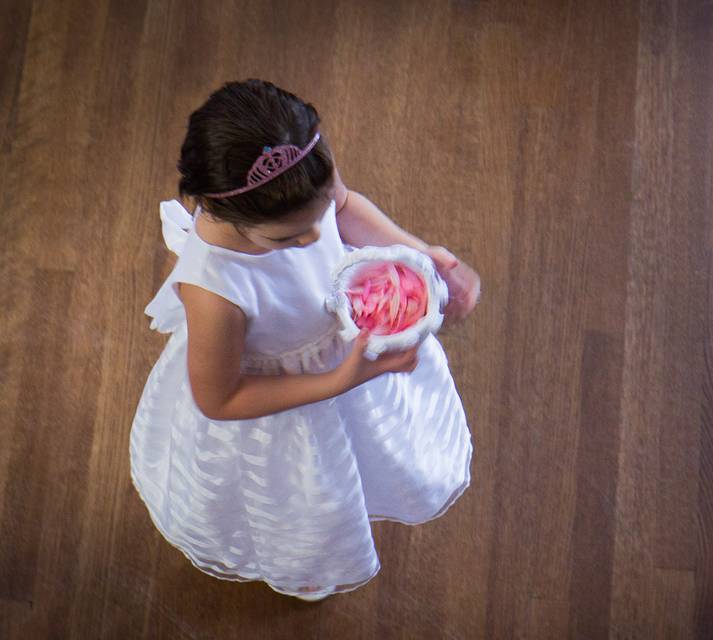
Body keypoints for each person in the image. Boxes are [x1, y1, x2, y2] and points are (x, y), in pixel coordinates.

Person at [129, 79, 481, 601]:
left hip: (346, 352)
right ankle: (308, 553)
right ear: (222, 212)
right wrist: (340, 379)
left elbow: (342, 207)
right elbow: (219, 398)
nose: (316, 238)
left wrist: (418, 254)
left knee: (361, 457)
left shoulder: (304, 179)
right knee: (303, 492)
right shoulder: (215, 291)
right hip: (283, 400)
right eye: (288, 238)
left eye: (317, 217)